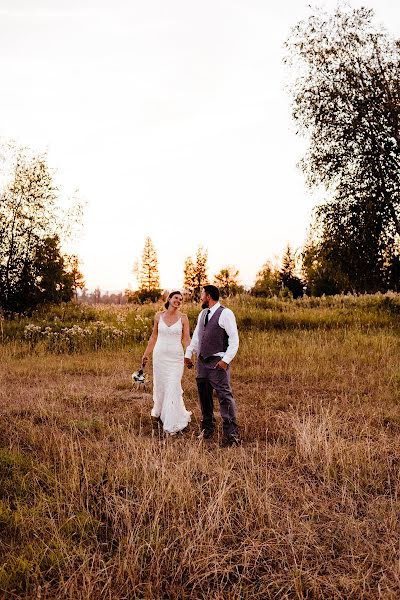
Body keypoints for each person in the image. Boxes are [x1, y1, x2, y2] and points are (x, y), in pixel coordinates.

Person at [184, 285, 240, 447]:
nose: (200, 297)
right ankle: (207, 428)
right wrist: (188, 354)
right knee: (204, 396)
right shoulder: (203, 314)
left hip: (218, 362)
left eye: (202, 294)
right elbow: (197, 337)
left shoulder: (226, 313)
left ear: (208, 296)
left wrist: (226, 360)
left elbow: (234, 339)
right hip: (202, 363)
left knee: (224, 396)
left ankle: (231, 433)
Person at [142, 290, 192, 435]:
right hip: (160, 357)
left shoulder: (183, 318)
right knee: (162, 385)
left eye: (180, 299)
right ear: (169, 299)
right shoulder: (159, 316)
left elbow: (187, 338)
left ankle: (171, 423)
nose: (178, 300)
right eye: (176, 298)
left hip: (176, 358)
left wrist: (188, 355)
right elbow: (153, 336)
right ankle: (162, 413)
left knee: (173, 385)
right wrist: (146, 354)